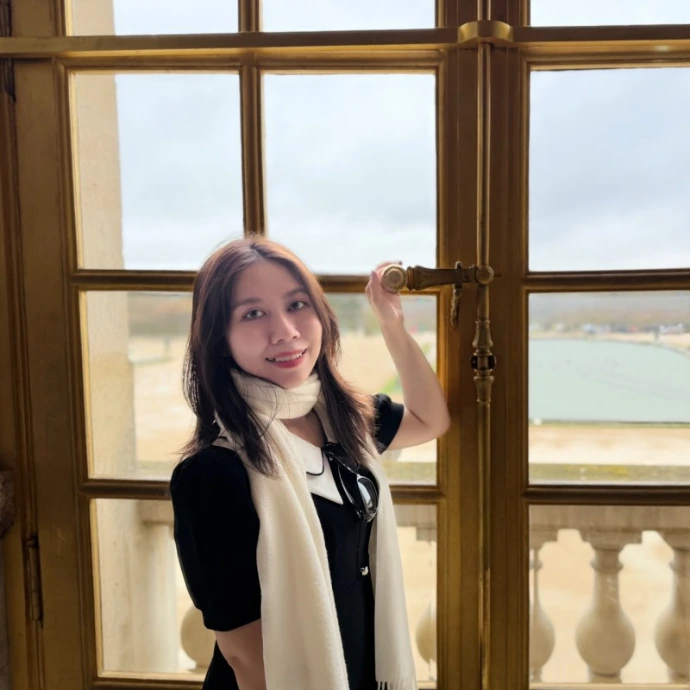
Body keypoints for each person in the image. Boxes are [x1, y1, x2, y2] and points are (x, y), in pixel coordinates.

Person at [170, 237, 450, 690]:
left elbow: (431, 419)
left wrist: (391, 324)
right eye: (253, 314)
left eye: (297, 305)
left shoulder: (344, 419)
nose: (285, 331)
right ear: (219, 339)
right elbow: (244, 656)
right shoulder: (212, 475)